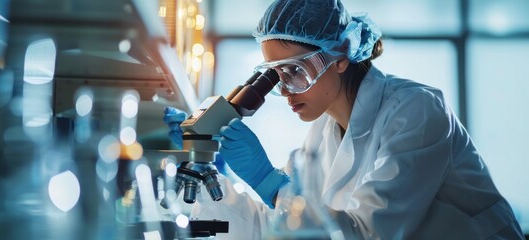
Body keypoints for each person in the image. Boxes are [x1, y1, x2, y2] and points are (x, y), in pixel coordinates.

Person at [163, 0, 524, 239]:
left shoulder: (417, 111)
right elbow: (284, 229)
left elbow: (369, 233)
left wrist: (270, 182)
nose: (285, 90)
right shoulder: (321, 135)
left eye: (295, 71)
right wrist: (212, 176)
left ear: (341, 57)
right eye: (273, 75)